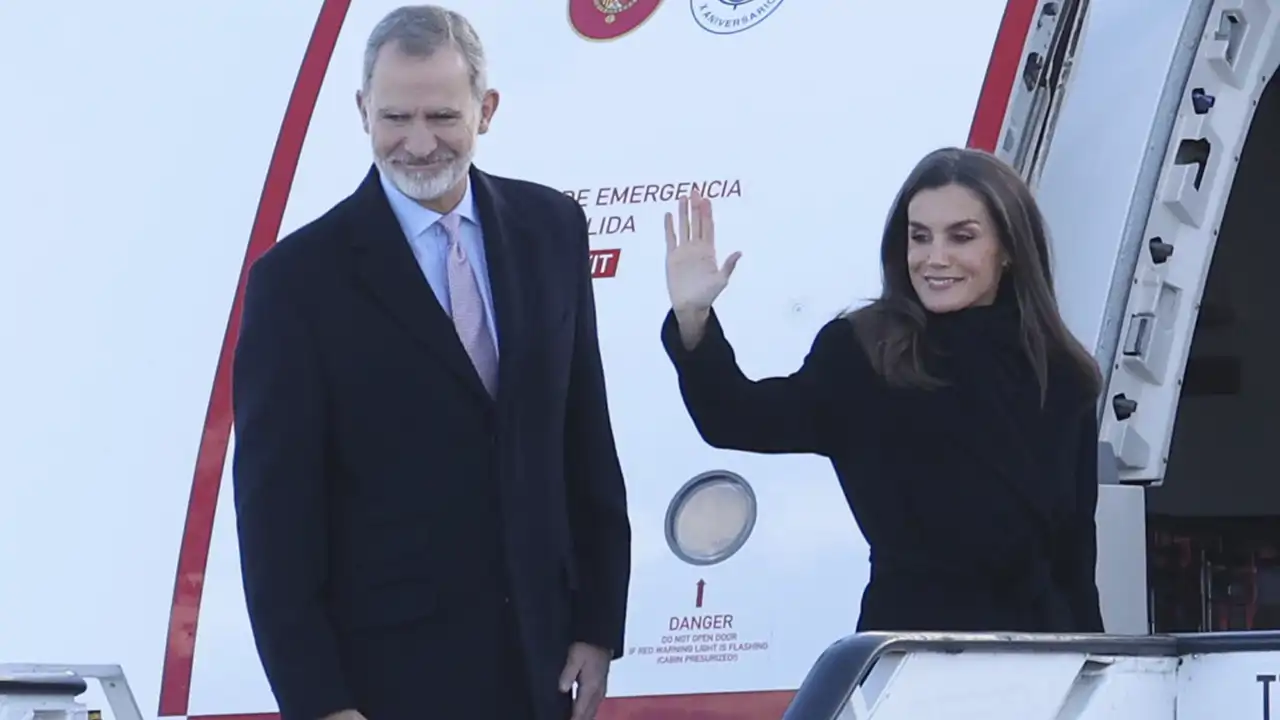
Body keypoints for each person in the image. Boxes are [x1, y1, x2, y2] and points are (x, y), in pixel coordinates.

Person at [230, 6, 631, 720]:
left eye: (443, 116)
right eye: (396, 118)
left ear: (488, 109)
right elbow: (275, 527)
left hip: (542, 671)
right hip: (387, 685)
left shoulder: (553, 230)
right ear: (362, 112)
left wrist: (598, 626)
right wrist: (319, 703)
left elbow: (583, 438)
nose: (418, 143)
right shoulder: (297, 283)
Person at [660, 147, 1106, 633]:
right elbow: (734, 418)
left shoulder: (1062, 373)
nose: (936, 258)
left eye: (962, 237)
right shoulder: (865, 353)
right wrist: (693, 318)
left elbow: (1075, 554)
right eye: (920, 238)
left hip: (1037, 663)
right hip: (910, 655)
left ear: (1008, 250)